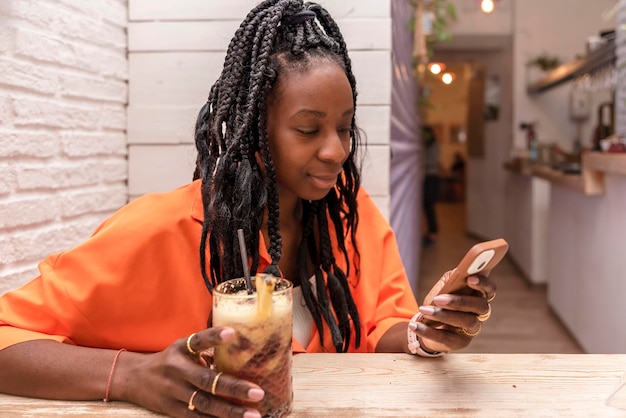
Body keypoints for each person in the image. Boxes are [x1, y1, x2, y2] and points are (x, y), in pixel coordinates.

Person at [0, 1, 496, 417]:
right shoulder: (161, 228)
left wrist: (423, 333)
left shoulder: (350, 213)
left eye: (345, 127)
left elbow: (379, 325)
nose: (336, 150)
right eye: (308, 129)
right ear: (255, 130)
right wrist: (130, 375)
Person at [422, 125, 440, 246]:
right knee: (427, 206)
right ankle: (431, 232)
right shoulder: (430, 145)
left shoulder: (433, 146)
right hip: (428, 177)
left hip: (430, 177)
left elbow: (433, 162)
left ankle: (432, 233)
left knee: (429, 205)